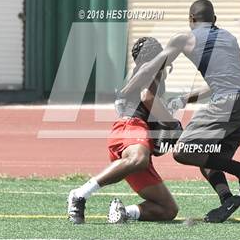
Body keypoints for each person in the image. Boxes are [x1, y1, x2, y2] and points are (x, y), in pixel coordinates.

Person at [121, 0, 240, 223]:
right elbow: (223, 81)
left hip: (227, 103)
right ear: (214, 20)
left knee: (183, 150)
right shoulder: (229, 38)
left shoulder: (184, 37)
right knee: (206, 156)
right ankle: (227, 199)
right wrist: (185, 98)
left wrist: (126, 89)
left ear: (191, 20)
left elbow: (150, 67)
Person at [67, 37, 181, 224]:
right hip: (132, 129)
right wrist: (172, 124)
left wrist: (161, 135)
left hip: (131, 137)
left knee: (167, 209)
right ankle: (80, 194)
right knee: (138, 159)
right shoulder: (151, 71)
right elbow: (147, 97)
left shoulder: (138, 73)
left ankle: (124, 212)